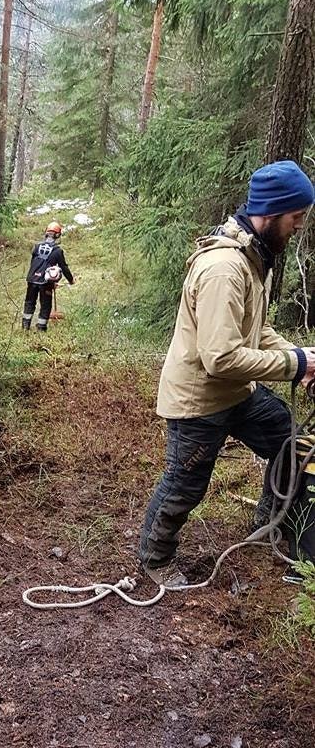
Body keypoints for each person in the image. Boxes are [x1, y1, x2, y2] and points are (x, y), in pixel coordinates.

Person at [139, 159, 315, 588]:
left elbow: (256, 330)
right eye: (296, 218)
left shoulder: (256, 255)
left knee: (292, 443)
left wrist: (302, 354)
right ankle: (155, 559)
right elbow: (220, 357)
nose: (297, 228)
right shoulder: (225, 268)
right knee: (185, 485)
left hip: (237, 393)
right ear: (272, 213)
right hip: (198, 400)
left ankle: (270, 523)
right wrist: (295, 365)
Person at [23, 221, 75, 331]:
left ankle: (25, 327)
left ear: (46, 233)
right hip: (45, 282)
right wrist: (70, 280)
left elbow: (33, 263)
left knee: (29, 302)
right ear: (57, 235)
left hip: (31, 279)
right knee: (46, 305)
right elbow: (64, 267)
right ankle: (41, 328)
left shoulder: (36, 247)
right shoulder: (57, 251)